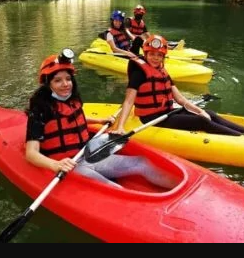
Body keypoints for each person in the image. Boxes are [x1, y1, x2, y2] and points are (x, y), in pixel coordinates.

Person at [25, 49, 178, 190]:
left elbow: (73, 119)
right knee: (116, 190)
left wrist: (99, 121)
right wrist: (55, 164)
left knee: (141, 162)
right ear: (48, 84)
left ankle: (179, 190)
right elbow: (31, 153)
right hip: (68, 165)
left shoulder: (71, 100)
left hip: (87, 154)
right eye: (57, 80)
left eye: (68, 79)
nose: (65, 84)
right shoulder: (40, 110)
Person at [112, 35, 244, 139]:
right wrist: (120, 127)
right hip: (151, 119)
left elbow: (180, 99)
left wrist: (200, 110)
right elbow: (128, 102)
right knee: (201, 121)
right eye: (152, 54)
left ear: (163, 57)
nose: (155, 58)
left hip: (168, 112)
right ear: (146, 54)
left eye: (159, 55)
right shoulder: (139, 73)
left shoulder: (162, 72)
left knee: (209, 114)